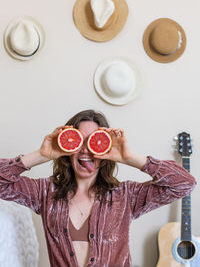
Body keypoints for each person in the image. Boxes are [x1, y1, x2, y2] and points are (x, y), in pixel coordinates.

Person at [0, 109, 196, 267]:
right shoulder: (44, 192)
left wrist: (130, 157)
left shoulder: (126, 196)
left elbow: (184, 183)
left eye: (94, 141)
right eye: (79, 141)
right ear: (67, 150)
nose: (85, 149)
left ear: (105, 150)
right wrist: (41, 154)